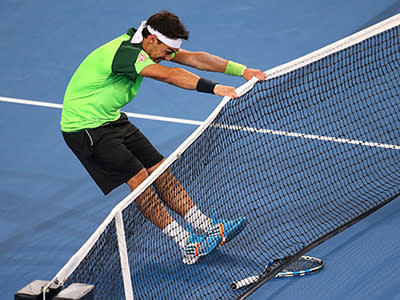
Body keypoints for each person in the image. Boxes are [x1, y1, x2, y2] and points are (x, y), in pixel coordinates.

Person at [61, 10, 266, 265]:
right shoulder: (126, 54)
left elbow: (194, 59)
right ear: (151, 40)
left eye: (172, 52)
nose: (169, 57)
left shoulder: (150, 45)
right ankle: (188, 244)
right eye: (167, 51)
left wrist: (243, 71)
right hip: (86, 129)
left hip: (111, 119)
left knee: (161, 170)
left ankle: (206, 226)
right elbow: (170, 75)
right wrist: (215, 88)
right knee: (141, 180)